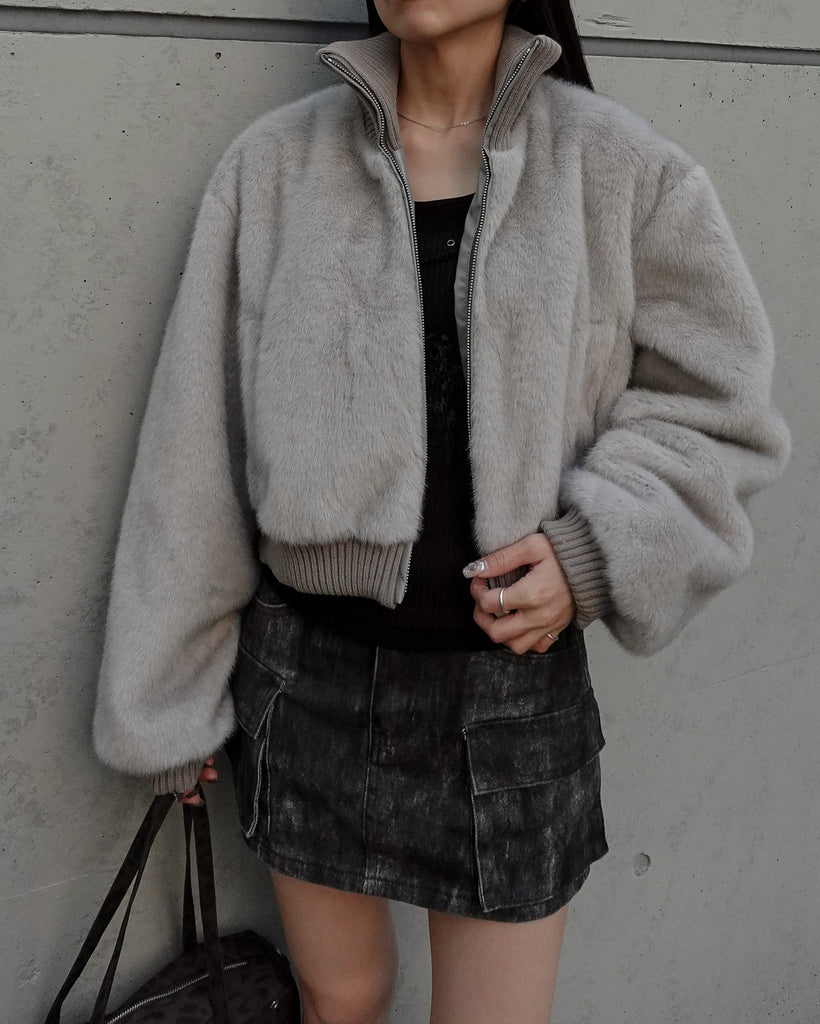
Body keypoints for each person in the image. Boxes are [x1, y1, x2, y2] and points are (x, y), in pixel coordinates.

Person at [92, 1, 790, 1021]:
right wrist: (167, 699)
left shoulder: (622, 169)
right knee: (341, 1000)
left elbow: (721, 407)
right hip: (304, 681)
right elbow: (196, 445)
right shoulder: (274, 167)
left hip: (509, 697)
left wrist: (591, 552)